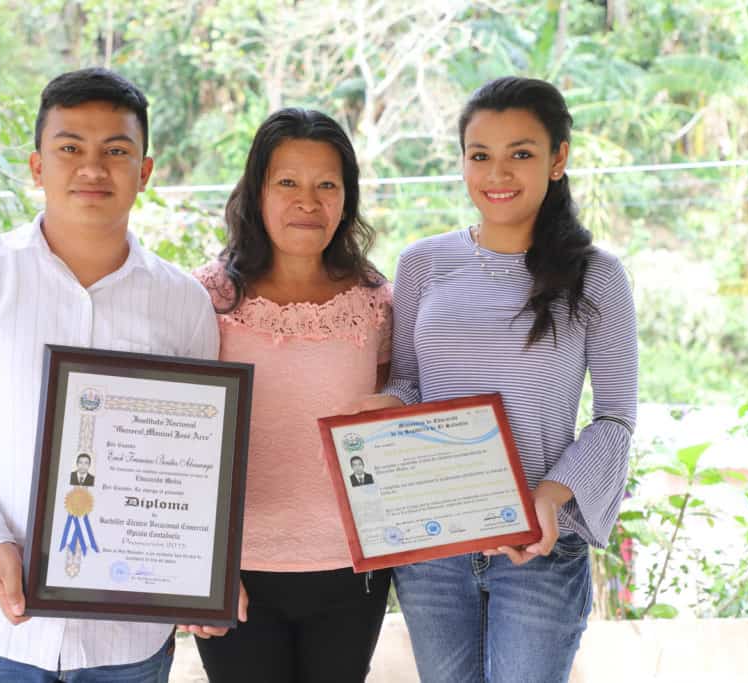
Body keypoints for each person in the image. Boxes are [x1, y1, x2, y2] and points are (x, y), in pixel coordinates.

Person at [0, 67, 241, 683]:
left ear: (145, 170)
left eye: (116, 151)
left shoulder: (183, 301)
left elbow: (195, 458)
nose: (92, 168)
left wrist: (201, 570)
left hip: (126, 637)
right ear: (36, 167)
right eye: (70, 149)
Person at [356, 77, 638, 683]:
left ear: (558, 159)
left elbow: (615, 418)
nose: (497, 173)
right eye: (480, 155)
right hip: (434, 539)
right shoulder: (423, 262)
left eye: (522, 153)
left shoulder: (598, 276)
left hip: (538, 539)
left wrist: (548, 499)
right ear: (462, 161)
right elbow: (411, 384)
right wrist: (384, 407)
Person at [193, 108, 393, 683]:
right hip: (237, 570)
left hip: (353, 569)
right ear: (256, 191)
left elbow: (393, 406)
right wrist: (198, 568)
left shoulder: (378, 299)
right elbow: (182, 437)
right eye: (288, 182)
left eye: (326, 184)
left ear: (346, 199)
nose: (308, 201)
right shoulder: (208, 295)